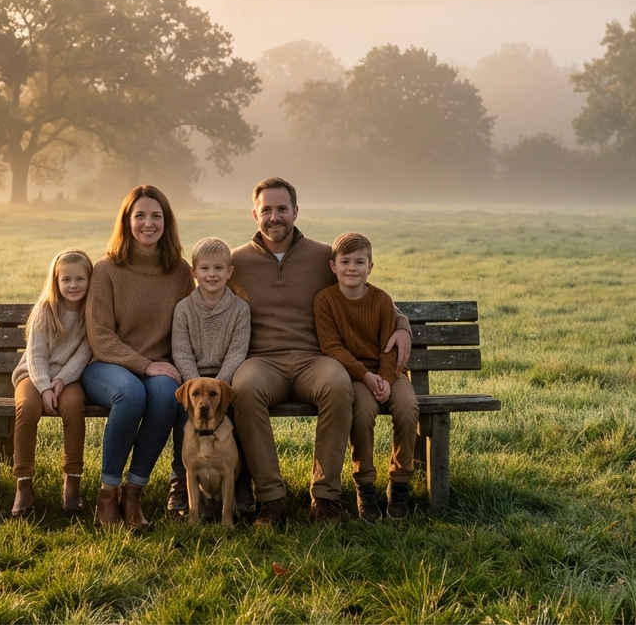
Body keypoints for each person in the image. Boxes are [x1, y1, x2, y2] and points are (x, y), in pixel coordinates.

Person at [229, 177, 412, 525]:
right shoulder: (238, 261)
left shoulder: (322, 256)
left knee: (338, 384)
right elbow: (204, 300)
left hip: (316, 358)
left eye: (282, 209)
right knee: (244, 389)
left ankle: (326, 497)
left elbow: (365, 290)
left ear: (295, 211)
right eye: (266, 209)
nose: (274, 217)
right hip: (262, 361)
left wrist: (402, 325)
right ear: (254, 213)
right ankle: (271, 498)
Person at [83, 185, 194, 529]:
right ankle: (107, 494)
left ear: (167, 222)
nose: (148, 223)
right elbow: (100, 337)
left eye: (156, 216)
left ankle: (134, 494)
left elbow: (191, 321)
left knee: (165, 396)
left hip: (158, 367)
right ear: (127, 221)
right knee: (131, 394)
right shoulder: (107, 269)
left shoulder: (179, 271)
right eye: (140, 216)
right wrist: (145, 364)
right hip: (106, 365)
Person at [314, 232, 420, 522]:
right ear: (333, 265)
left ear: (370, 267)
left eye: (359, 262)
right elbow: (332, 347)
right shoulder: (325, 301)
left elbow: (388, 345)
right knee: (362, 413)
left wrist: (384, 378)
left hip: (390, 374)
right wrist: (366, 377)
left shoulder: (382, 300)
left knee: (408, 409)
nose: (352, 268)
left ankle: (400, 483)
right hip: (355, 376)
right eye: (345, 261)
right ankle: (365, 485)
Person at [169, 236, 252, 515]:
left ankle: (239, 478)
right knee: (186, 415)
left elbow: (237, 352)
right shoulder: (184, 309)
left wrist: (218, 389)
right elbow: (181, 352)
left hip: (225, 380)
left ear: (229, 272)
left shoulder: (240, 310)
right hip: (192, 379)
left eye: (219, 268)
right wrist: (196, 390)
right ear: (194, 273)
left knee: (238, 406)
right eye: (205, 269)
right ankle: (181, 478)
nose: (212, 274)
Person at [11, 248, 94, 519]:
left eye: (80, 279)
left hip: (67, 379)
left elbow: (85, 352)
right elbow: (35, 354)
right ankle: (23, 482)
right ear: (56, 282)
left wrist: (62, 380)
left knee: (73, 408)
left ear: (90, 280)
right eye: (66, 279)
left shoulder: (90, 313)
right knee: (27, 408)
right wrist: (45, 386)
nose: (73, 285)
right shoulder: (45, 310)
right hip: (33, 376)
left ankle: (72, 481)